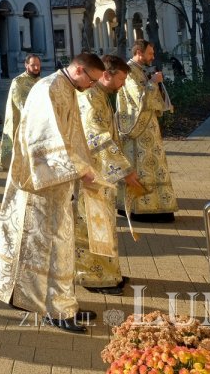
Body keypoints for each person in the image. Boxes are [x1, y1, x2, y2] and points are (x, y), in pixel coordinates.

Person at [0, 51, 104, 333]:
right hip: (41, 184)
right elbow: (44, 141)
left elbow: (73, 135)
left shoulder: (66, 88)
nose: (92, 86)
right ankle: (55, 310)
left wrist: (86, 167)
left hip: (58, 183)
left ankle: (65, 303)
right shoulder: (49, 89)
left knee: (61, 245)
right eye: (92, 80)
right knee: (51, 246)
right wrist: (79, 169)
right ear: (79, 70)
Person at [74, 54, 144, 296]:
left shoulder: (102, 96)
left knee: (102, 225)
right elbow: (98, 138)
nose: (123, 84)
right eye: (122, 78)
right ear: (107, 74)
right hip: (91, 174)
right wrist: (125, 170)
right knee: (94, 227)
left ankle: (107, 272)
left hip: (102, 174)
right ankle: (94, 276)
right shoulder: (91, 99)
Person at [116, 40, 178, 221]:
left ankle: (158, 205)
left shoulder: (140, 70)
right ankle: (140, 208)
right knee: (141, 165)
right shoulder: (128, 72)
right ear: (139, 53)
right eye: (150, 53)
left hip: (148, 126)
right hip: (137, 129)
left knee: (154, 164)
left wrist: (153, 83)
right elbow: (138, 100)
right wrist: (152, 82)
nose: (152, 57)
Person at [0, 54, 42, 171]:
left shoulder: (41, 81)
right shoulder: (18, 81)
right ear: (26, 65)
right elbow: (22, 105)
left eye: (38, 65)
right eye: (33, 65)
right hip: (20, 121)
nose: (36, 68)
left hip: (38, 120)